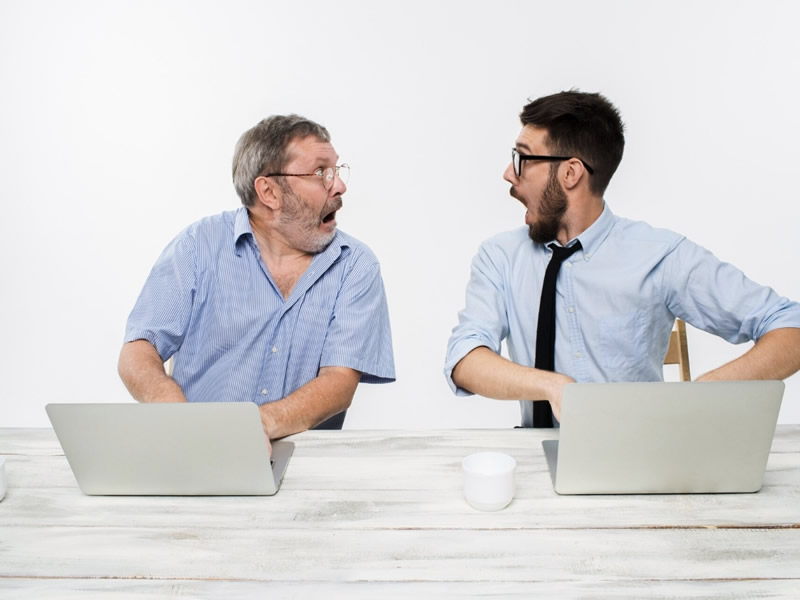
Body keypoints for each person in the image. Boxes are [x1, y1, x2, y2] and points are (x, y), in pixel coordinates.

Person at [445, 90, 800, 427]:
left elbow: (790, 326)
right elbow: (465, 359)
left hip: (642, 455)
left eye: (522, 159)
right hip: (539, 456)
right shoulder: (500, 257)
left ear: (570, 173)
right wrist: (552, 386)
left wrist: (705, 393)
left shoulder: (659, 255)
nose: (509, 173)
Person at [119, 114, 395, 442]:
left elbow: (339, 381)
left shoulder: (356, 265)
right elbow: (140, 348)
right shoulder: (198, 246)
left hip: (305, 466)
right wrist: (171, 408)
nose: (339, 185)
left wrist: (254, 428)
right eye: (321, 172)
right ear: (269, 192)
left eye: (336, 170)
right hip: (194, 450)